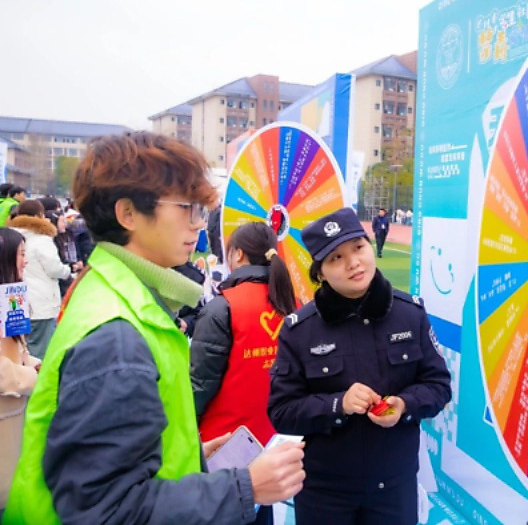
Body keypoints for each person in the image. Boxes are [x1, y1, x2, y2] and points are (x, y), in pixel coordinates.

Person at [3, 131, 305, 524]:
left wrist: (190, 458)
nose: (199, 224)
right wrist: (243, 488)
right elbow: (106, 510)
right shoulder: (117, 335)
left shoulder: (115, 293)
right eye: (187, 208)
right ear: (128, 214)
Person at [268, 207, 451, 525]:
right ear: (320, 273)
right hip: (324, 494)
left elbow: (438, 387)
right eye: (336, 258)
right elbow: (282, 411)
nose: (353, 262)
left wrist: (404, 404)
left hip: (394, 489)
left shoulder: (410, 314)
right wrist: (337, 404)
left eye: (358, 247)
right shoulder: (299, 330)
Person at [192, 221, 296, 445]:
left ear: (238, 254)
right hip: (282, 440)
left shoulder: (223, 307)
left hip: (224, 442)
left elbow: (200, 385)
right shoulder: (294, 304)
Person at [0, 228, 39, 514]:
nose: (26, 261)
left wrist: (32, 362)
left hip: (14, 412)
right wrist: (33, 377)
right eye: (21, 254)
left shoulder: (11, 297)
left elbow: (16, 348)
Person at [7, 200, 73, 358]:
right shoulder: (41, 239)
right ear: (39, 216)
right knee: (41, 350)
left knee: (19, 349)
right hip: (41, 303)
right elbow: (54, 268)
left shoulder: (10, 237)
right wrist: (67, 271)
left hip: (14, 301)